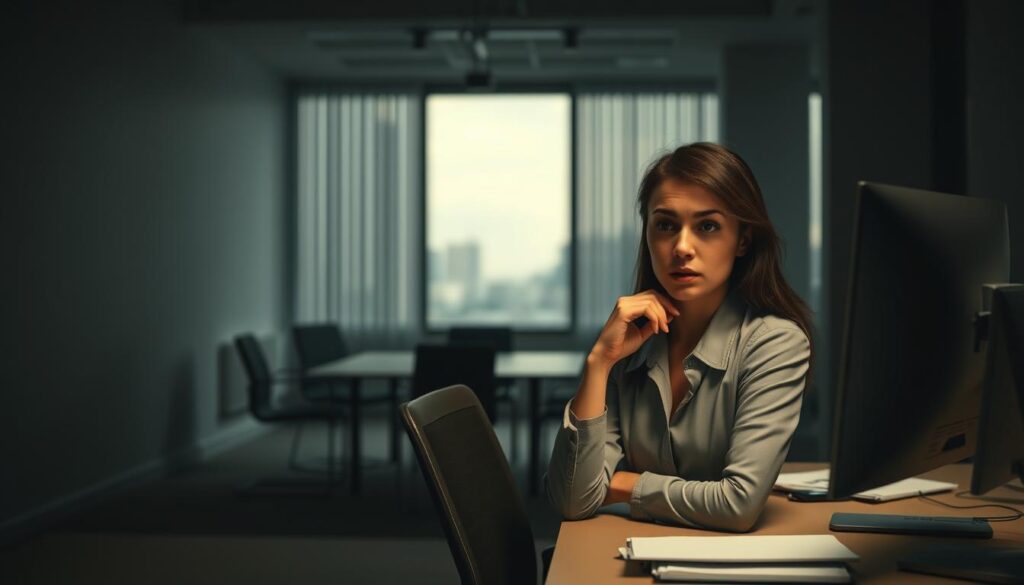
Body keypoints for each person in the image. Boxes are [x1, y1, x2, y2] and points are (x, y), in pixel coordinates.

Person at [546, 142, 813, 532]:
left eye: (707, 226)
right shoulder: (630, 343)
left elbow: (738, 504)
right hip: (627, 558)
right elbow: (572, 499)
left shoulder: (776, 344)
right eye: (666, 225)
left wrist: (622, 485)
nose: (682, 248)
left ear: (742, 240)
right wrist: (600, 361)